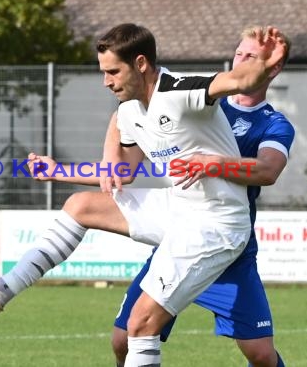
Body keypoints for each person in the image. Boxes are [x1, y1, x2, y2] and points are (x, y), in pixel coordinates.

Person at [0, 23, 287, 366]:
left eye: (113, 71)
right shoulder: (129, 109)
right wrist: (57, 171)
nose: (106, 81)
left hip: (216, 225)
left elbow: (238, 82)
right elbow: (120, 174)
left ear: (140, 63)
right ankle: (1, 291)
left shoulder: (180, 91)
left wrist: (265, 63)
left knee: (144, 324)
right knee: (81, 206)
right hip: (178, 210)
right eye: (103, 72)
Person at [108, 25, 294, 367]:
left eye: (251, 56)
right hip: (182, 232)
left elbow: (267, 171)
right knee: (124, 338)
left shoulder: (274, 125)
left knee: (261, 355)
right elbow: (129, 124)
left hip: (225, 241)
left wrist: (214, 165)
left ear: (272, 66)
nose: (241, 60)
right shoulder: (205, 102)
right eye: (238, 53)